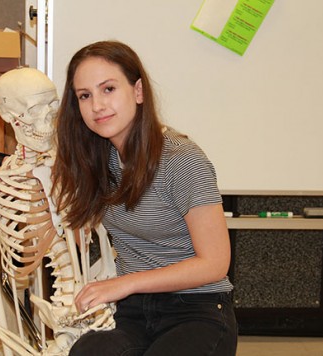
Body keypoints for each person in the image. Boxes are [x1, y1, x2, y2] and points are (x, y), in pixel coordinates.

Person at [51, 40, 237, 356]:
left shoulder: (181, 159)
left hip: (196, 308)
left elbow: (216, 263)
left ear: (138, 92)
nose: (96, 105)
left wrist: (127, 283)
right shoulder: (99, 157)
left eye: (108, 89)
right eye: (85, 95)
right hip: (136, 313)